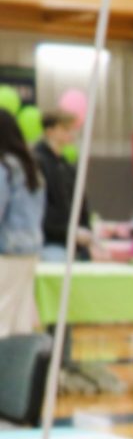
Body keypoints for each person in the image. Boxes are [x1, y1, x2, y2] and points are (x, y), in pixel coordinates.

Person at [0, 108, 45, 336]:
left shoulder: (4, 167)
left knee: (2, 320)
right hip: (30, 251)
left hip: (6, 252)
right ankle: (18, 371)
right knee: (20, 321)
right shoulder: (30, 167)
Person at [34, 110, 88, 264]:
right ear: (50, 131)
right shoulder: (37, 162)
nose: (70, 133)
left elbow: (79, 201)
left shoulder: (66, 165)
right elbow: (41, 206)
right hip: (49, 241)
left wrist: (84, 228)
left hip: (71, 241)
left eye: (71, 129)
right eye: (65, 129)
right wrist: (68, 231)